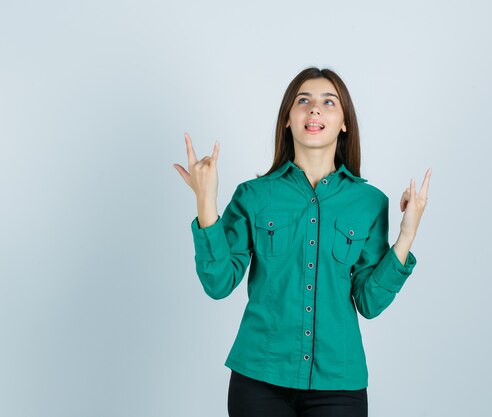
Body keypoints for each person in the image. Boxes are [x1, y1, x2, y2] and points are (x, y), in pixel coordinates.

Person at [173, 67, 431, 417]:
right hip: (259, 379)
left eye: (328, 102)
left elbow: (369, 302)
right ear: (287, 120)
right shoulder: (253, 196)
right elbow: (218, 283)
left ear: (344, 123)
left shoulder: (370, 202)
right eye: (303, 100)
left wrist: (406, 235)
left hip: (339, 383)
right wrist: (206, 202)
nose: (314, 109)